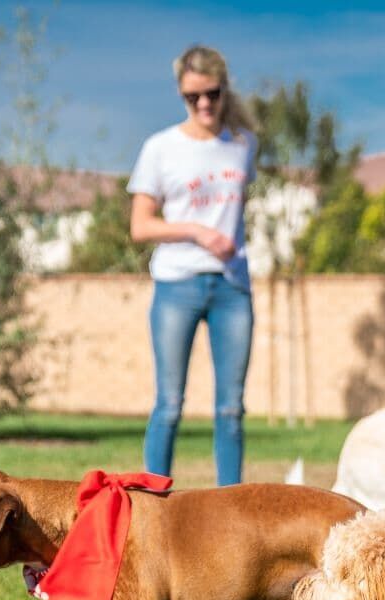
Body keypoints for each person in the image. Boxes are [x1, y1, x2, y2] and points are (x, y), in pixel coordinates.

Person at [128, 45, 258, 486]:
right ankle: (152, 503)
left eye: (212, 93)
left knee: (231, 409)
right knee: (169, 403)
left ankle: (231, 508)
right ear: (182, 95)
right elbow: (140, 225)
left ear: (224, 90)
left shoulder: (242, 145)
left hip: (232, 288)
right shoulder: (160, 148)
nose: (204, 104)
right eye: (192, 96)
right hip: (177, 285)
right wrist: (199, 232)